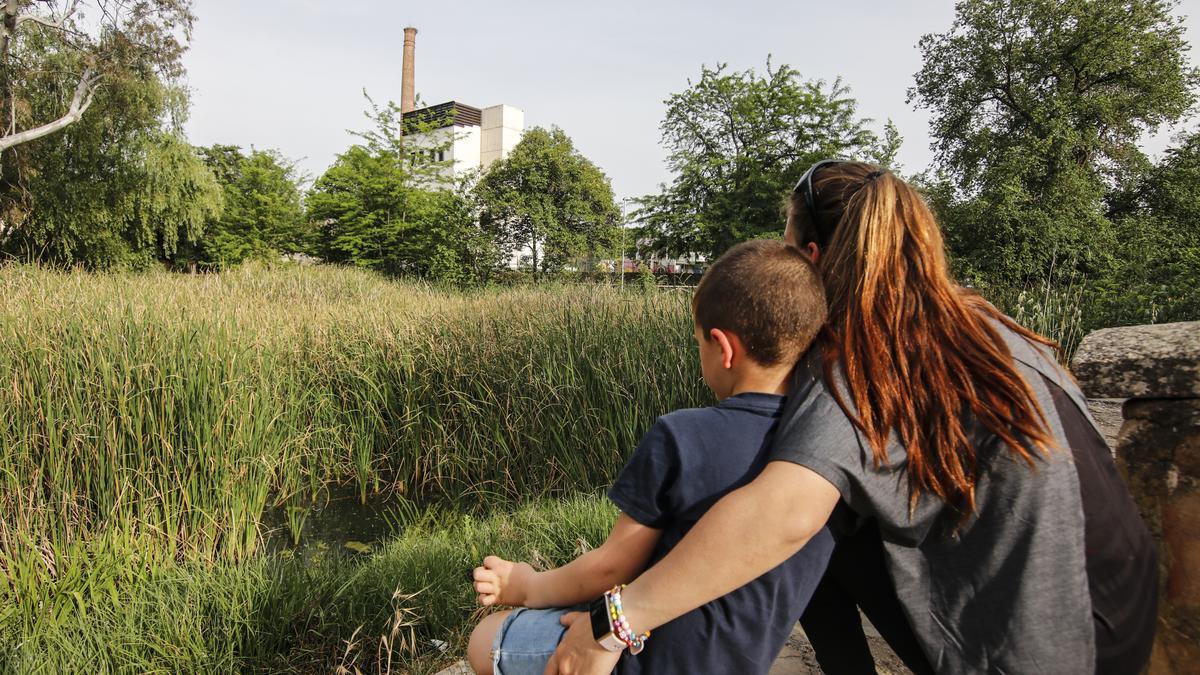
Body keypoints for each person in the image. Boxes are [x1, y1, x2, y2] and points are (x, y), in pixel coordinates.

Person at [547, 161, 1159, 675]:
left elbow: (782, 517)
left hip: (1046, 650)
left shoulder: (866, 356)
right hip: (1124, 604)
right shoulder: (979, 321)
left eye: (789, 254)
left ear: (813, 259)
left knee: (813, 505)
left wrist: (614, 621)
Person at [467, 239, 835, 675]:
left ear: (723, 347)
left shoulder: (682, 435)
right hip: (740, 662)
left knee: (487, 637)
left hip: (647, 658)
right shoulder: (823, 454)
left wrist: (525, 584)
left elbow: (610, 567)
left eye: (698, 339)